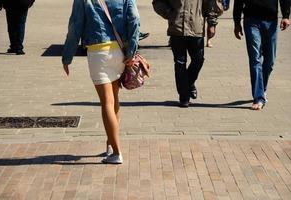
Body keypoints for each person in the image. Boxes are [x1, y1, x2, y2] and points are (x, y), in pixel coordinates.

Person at [62, 0, 140, 164]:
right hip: (119, 51)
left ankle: (117, 152)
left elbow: (75, 26)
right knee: (114, 99)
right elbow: (134, 19)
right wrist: (131, 51)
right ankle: (111, 144)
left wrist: (67, 56)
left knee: (106, 102)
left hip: (98, 52)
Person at [152, 0, 221, 107]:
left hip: (196, 27)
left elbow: (211, 4)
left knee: (198, 59)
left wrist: (212, 24)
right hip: (177, 28)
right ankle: (184, 97)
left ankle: (189, 82)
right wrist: (169, 13)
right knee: (180, 63)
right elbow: (158, 2)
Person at [233, 0, 291, 110]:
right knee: (255, 59)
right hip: (251, 20)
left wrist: (286, 15)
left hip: (271, 21)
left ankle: (261, 87)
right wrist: (237, 22)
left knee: (270, 61)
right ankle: (258, 97)